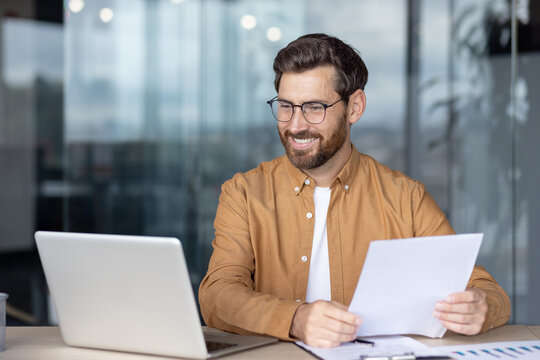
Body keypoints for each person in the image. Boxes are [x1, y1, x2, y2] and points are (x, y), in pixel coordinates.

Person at [198, 33, 511, 348]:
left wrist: (480, 309)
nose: (295, 125)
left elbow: (484, 289)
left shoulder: (406, 198)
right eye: (286, 106)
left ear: (355, 107)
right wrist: (295, 319)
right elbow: (218, 296)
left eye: (314, 107)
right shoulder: (244, 193)